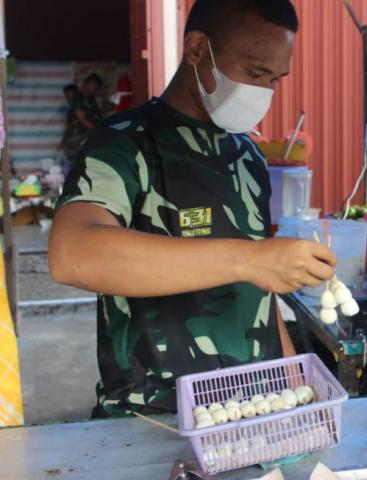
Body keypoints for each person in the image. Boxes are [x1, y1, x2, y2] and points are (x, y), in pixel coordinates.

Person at [48, 0, 335, 417]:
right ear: (197, 49)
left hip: (255, 410)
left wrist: (293, 380)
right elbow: (71, 254)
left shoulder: (247, 155)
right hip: (156, 417)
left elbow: (260, 289)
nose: (265, 92)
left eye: (275, 79)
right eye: (255, 73)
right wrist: (248, 259)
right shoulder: (124, 143)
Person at [58, 84, 81, 165]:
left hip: (79, 141)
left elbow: (69, 128)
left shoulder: (73, 108)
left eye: (68, 95)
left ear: (75, 93)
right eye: (66, 96)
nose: (67, 98)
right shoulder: (86, 103)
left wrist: (62, 142)